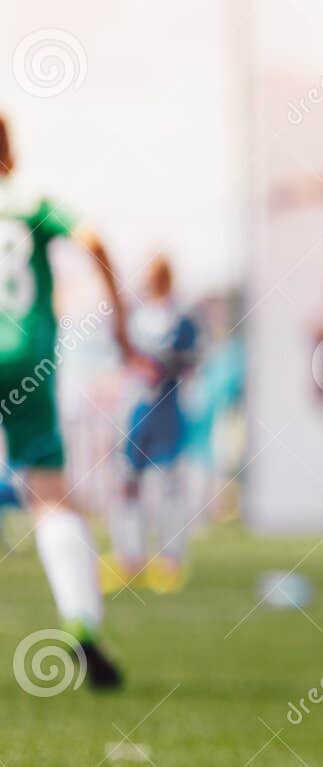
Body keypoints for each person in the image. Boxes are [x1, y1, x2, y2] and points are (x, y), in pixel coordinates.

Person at [0, 112, 131, 688]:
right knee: (49, 493)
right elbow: (94, 237)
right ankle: (80, 624)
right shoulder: (31, 204)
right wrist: (119, 314)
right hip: (25, 353)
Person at [104, 255, 201, 593]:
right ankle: (130, 557)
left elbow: (188, 361)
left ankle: (171, 559)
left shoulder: (181, 318)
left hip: (168, 408)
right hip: (137, 410)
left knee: (169, 485)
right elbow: (123, 355)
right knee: (127, 482)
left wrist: (158, 366)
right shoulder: (137, 317)